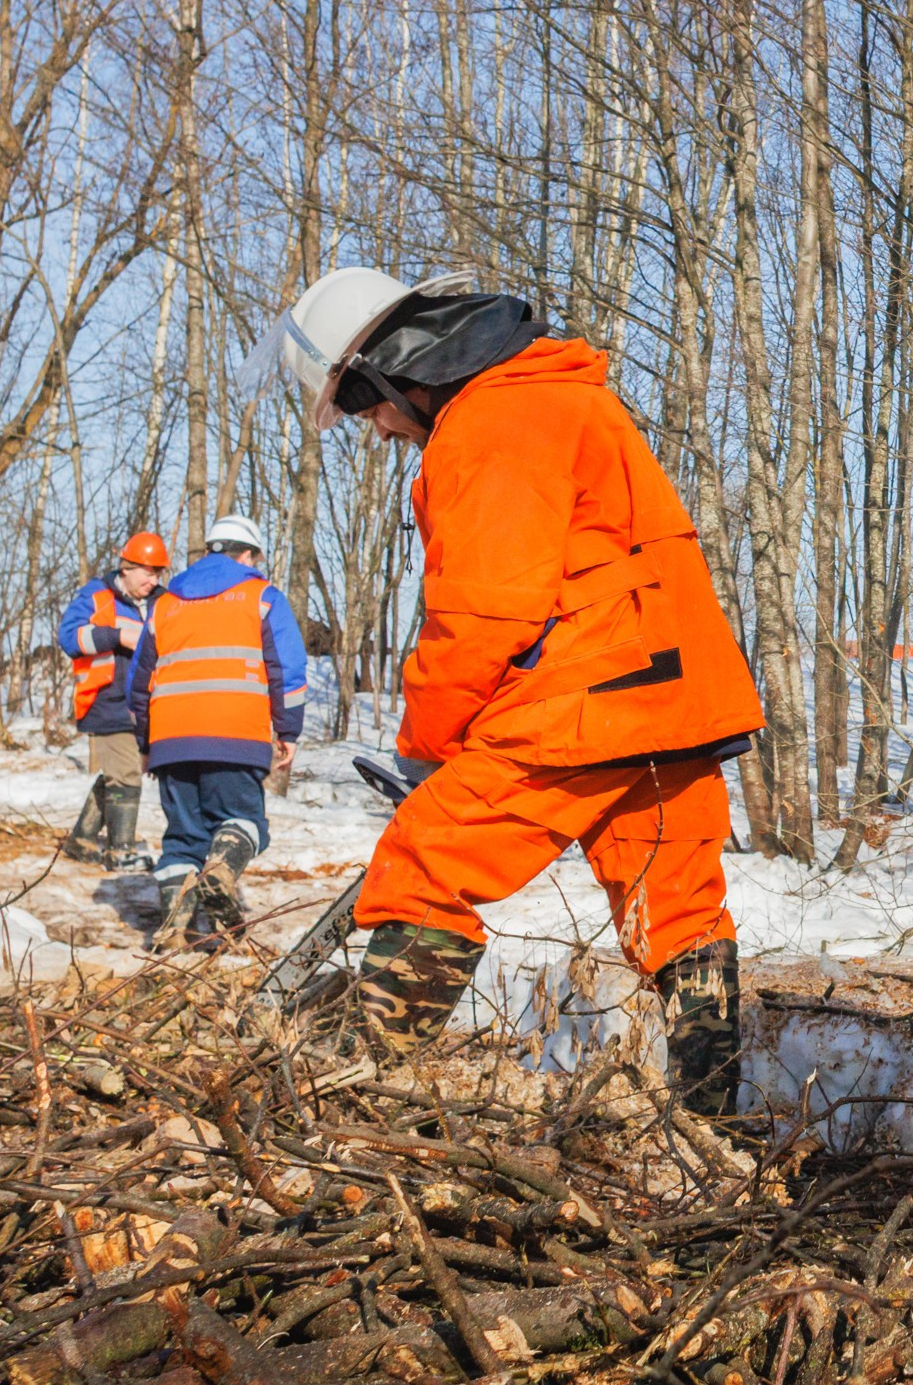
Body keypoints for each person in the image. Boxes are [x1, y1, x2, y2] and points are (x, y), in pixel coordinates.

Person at [254, 267, 764, 1112]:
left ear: (392, 368)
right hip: (666, 690)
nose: (376, 431)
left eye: (363, 407)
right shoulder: (554, 397)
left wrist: (428, 747)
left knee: (425, 858)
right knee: (678, 911)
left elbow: (484, 613)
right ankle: (711, 1119)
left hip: (596, 690)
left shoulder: (491, 419)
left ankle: (349, 1099)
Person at [130, 517, 308, 949]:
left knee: (183, 837)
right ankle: (221, 870)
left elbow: (139, 680)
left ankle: (173, 929)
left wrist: (146, 743)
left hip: (171, 740)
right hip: (236, 735)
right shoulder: (262, 596)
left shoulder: (165, 603)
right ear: (246, 554)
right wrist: (288, 730)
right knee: (244, 821)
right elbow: (287, 668)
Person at [55, 532, 169, 869]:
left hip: (146, 704)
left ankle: (81, 839)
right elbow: (69, 637)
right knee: (126, 775)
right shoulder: (96, 595)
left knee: (116, 774)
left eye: (158, 574)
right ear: (127, 568)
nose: (154, 580)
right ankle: (121, 852)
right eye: (148, 573)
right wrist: (118, 636)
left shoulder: (163, 601)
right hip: (105, 700)